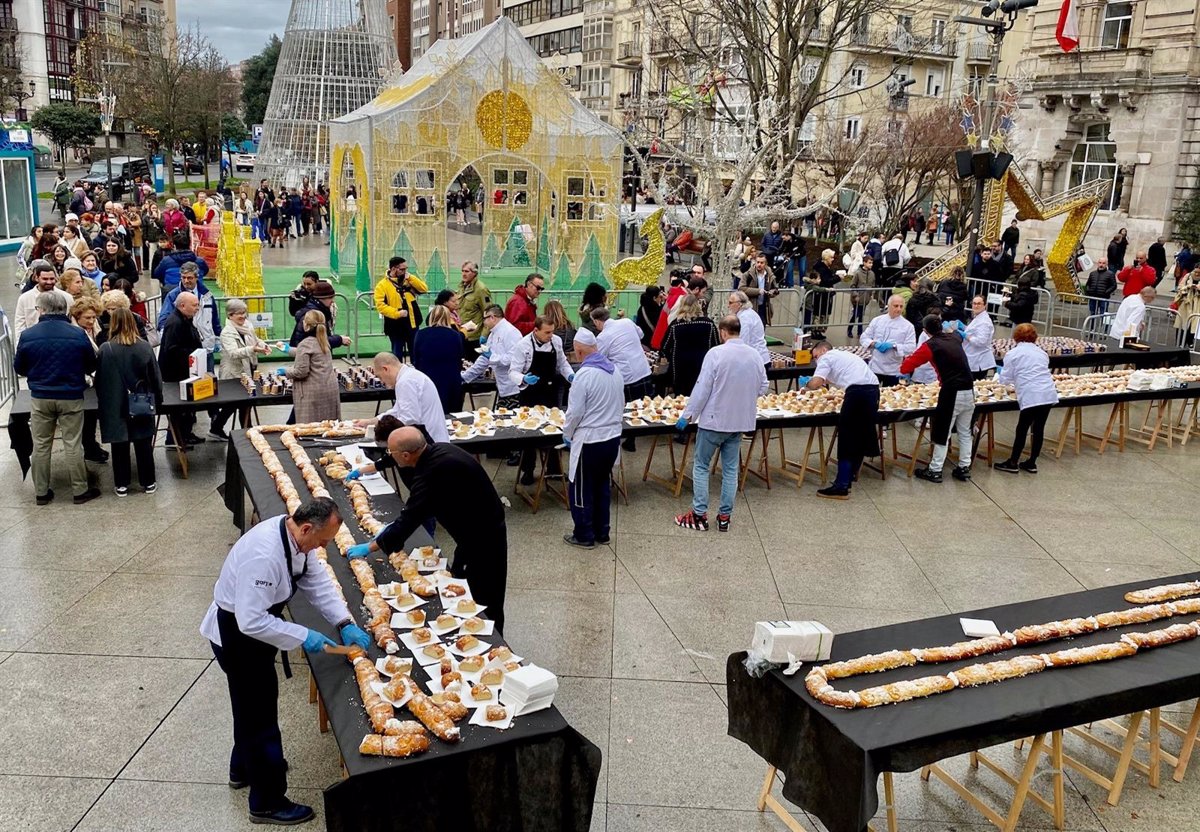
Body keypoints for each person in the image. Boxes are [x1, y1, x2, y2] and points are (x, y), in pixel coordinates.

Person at [201, 497, 369, 826]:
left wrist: (344, 622)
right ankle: (266, 801)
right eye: (321, 542)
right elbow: (250, 621)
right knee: (260, 717)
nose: (321, 548)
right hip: (238, 637)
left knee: (248, 709)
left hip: (253, 631)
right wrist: (303, 635)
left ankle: (243, 768)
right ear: (306, 527)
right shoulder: (264, 554)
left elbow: (316, 581)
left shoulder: (296, 539)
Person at [346, 428, 509, 631]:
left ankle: (492, 640)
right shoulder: (436, 450)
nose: (389, 456)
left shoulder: (432, 473)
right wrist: (366, 469)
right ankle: (466, 624)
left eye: (391, 453)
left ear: (406, 455)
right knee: (460, 578)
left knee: (485, 594)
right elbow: (397, 465)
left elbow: (409, 518)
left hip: (484, 536)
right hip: (471, 532)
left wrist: (371, 547)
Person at [673, 315, 768, 532]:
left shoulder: (716, 354)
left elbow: (702, 388)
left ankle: (699, 514)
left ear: (723, 332)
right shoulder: (754, 355)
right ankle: (725, 516)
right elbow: (763, 386)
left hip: (714, 421)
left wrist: (688, 416)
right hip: (739, 422)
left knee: (701, 466)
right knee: (731, 469)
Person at [13, 291, 100, 505]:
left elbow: (19, 367)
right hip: (71, 395)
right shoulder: (77, 334)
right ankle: (80, 491)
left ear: (41, 310)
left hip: (41, 396)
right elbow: (91, 364)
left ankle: (41, 492)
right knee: (73, 443)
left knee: (41, 445)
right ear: (64, 309)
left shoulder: (28, 335)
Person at [795, 340, 881, 500]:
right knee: (860, 435)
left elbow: (817, 382)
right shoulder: (845, 356)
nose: (816, 361)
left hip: (857, 393)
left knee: (847, 438)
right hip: (873, 391)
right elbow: (832, 379)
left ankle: (841, 485)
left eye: (815, 356)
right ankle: (849, 478)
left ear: (822, 351)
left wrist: (807, 384)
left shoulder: (826, 357)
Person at [561, 330, 624, 547]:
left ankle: (584, 534)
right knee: (602, 485)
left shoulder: (584, 376)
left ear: (579, 351)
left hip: (590, 440)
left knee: (580, 488)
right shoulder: (615, 370)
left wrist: (567, 433)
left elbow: (574, 412)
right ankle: (602, 531)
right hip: (612, 437)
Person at [900, 316, 977, 483]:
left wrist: (903, 367)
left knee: (943, 431)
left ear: (925, 331)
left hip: (951, 391)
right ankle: (964, 467)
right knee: (965, 431)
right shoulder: (954, 338)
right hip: (969, 390)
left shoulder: (929, 346)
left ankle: (935, 470)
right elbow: (957, 333)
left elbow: (907, 366)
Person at [96, 308, 162, 495]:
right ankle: (148, 481)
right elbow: (155, 377)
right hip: (141, 401)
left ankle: (122, 484)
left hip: (114, 403)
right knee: (143, 444)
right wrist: (158, 400)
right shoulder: (144, 347)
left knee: (119, 444)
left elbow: (99, 380)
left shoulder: (106, 349)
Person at [510, 315, 575, 484]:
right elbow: (513, 372)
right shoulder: (523, 346)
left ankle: (554, 468)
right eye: (547, 332)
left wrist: (570, 375)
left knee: (554, 430)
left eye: (552, 332)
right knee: (529, 434)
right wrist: (524, 379)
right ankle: (528, 470)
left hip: (550, 391)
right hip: (530, 393)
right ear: (536, 330)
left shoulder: (556, 342)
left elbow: (562, 363)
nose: (550, 335)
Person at [994, 323, 1058, 474]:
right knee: (1038, 428)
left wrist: (1001, 372)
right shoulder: (1042, 353)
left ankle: (1013, 461)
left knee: (1022, 427)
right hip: (1047, 392)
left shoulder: (1013, 353)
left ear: (1016, 337)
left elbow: (1005, 379)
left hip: (1031, 393)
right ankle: (1032, 462)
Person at [592, 305, 654, 451]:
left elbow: (600, 357)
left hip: (627, 376)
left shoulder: (602, 337)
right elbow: (641, 335)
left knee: (626, 408)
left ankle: (628, 437)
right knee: (641, 405)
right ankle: (634, 436)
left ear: (597, 322)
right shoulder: (626, 322)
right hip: (643, 369)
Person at [211, 298, 273, 438]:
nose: (242, 316)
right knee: (239, 404)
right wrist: (253, 349)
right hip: (233, 373)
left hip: (246, 371)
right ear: (230, 315)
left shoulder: (248, 326)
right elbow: (233, 353)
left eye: (244, 312)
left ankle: (218, 429)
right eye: (238, 313)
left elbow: (256, 340)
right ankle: (247, 433)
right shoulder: (226, 332)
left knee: (240, 404)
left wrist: (263, 346)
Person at [356, 352, 449, 444]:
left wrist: (381, 432)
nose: (382, 382)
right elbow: (397, 410)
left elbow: (409, 418)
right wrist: (371, 422)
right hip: (433, 439)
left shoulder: (405, 382)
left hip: (430, 442)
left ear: (385, 369)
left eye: (380, 377)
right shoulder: (408, 376)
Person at [158, 291, 205, 448]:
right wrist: (193, 354)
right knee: (179, 408)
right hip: (176, 373)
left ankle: (186, 433)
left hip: (186, 371)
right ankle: (175, 438)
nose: (197, 308)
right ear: (182, 306)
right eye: (194, 305)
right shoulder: (175, 323)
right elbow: (172, 349)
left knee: (187, 407)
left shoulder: (185, 319)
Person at [280, 310, 341, 423]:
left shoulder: (305, 343)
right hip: (329, 389)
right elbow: (310, 353)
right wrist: (288, 350)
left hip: (312, 393)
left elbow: (301, 372)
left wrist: (285, 372)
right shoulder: (324, 341)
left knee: (309, 430)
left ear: (306, 325)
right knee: (327, 428)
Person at [462, 304, 523, 410]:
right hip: (502, 387)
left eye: (484, 319)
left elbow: (514, 359)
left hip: (513, 388)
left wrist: (492, 357)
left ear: (492, 317)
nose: (484, 322)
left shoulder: (511, 332)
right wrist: (465, 376)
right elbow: (484, 359)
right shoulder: (493, 334)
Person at [661, 294, 720, 394]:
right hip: (703, 366)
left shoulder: (675, 325)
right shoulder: (709, 324)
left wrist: (670, 357)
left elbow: (665, 347)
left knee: (681, 400)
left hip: (680, 368)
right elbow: (716, 346)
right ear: (697, 305)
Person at [412, 305, 466, 413]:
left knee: (429, 413)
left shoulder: (421, 334)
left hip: (428, 379)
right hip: (451, 380)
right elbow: (460, 357)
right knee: (452, 414)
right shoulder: (455, 335)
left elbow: (416, 358)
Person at [374, 256, 428, 361]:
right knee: (397, 355)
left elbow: (424, 289)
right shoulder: (382, 286)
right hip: (395, 326)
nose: (405, 271)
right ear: (393, 269)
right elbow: (380, 306)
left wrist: (410, 278)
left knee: (416, 355)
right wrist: (397, 313)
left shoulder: (408, 280)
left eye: (406, 269)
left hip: (412, 324)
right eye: (402, 269)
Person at [158, 262, 221, 349]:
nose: (186, 281)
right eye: (183, 277)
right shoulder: (173, 296)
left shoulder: (207, 295)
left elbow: (214, 319)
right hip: (184, 348)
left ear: (196, 277)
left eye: (189, 278)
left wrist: (218, 338)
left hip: (206, 346)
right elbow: (164, 319)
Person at [861, 294, 917, 386]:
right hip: (875, 367)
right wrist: (874, 344)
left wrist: (894, 346)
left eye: (901, 306)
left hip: (894, 370)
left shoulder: (908, 326)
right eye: (895, 306)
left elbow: (911, 347)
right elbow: (864, 338)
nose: (898, 309)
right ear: (889, 305)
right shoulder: (877, 320)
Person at [14, 261, 74, 343]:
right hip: (33, 342)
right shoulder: (24, 298)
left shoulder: (67, 297)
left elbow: (73, 323)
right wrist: (19, 345)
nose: (49, 282)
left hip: (62, 341)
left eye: (52, 279)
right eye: (45, 279)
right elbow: (19, 326)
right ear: (36, 278)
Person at [288, 281, 350, 350]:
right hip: (312, 355)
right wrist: (340, 339)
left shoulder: (316, 310)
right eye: (330, 298)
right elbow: (317, 341)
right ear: (321, 298)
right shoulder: (315, 315)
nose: (333, 301)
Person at [727, 290, 771, 371]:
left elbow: (743, 341)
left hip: (755, 360)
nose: (728, 306)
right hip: (758, 358)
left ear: (739, 304)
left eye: (730, 302)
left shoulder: (744, 318)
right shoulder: (747, 313)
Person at [455, 261, 490, 348]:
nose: (463, 274)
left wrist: (484, 335)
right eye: (462, 271)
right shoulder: (461, 287)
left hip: (474, 337)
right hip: (462, 333)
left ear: (474, 273)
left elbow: (488, 313)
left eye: (467, 271)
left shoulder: (481, 289)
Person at [963, 295, 997, 379]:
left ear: (984, 305)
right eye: (974, 303)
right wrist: (963, 327)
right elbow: (974, 330)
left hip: (979, 361)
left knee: (976, 386)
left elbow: (981, 341)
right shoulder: (978, 317)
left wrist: (965, 336)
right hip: (974, 358)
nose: (976, 306)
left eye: (979, 304)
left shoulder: (984, 322)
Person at [744, 253, 779, 326]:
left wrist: (772, 292)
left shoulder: (770, 275)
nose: (759, 264)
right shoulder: (748, 274)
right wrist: (758, 291)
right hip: (750, 307)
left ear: (766, 264)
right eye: (758, 262)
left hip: (764, 307)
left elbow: (775, 289)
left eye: (762, 263)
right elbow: (741, 289)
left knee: (761, 330)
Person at [844, 254, 874, 338]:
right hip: (857, 298)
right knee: (856, 314)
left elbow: (872, 285)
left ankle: (859, 332)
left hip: (866, 298)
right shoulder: (858, 273)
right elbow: (852, 285)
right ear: (864, 263)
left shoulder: (872, 274)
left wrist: (871, 294)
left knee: (861, 315)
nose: (871, 264)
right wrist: (855, 295)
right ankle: (850, 329)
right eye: (869, 263)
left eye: (872, 263)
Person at [1084, 257, 1117, 328]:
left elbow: (1114, 286)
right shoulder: (1092, 274)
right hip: (1093, 298)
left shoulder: (1110, 274)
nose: (1101, 265)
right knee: (1092, 314)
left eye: (1103, 263)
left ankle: (1104, 331)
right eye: (1100, 263)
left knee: (1104, 314)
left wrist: (1106, 293)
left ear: (1106, 264)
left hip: (1103, 298)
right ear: (1097, 263)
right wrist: (1088, 291)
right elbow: (1088, 284)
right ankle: (1092, 329)